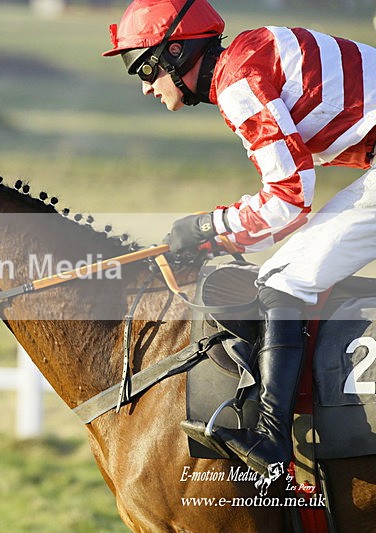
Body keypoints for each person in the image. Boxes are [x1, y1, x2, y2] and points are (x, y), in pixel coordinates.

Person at [103, 0, 376, 475]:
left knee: (282, 280)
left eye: (141, 68)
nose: (145, 86)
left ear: (173, 54)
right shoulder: (249, 55)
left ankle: (271, 443)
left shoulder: (239, 81)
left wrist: (210, 227)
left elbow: (290, 202)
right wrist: (218, 238)